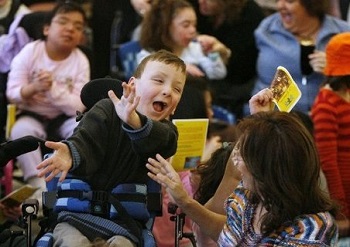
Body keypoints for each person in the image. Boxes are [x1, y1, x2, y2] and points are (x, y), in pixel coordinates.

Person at [146, 88, 339, 246]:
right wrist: (259, 121)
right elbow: (227, 232)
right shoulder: (247, 199)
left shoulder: (312, 229)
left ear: (266, 169)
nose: (236, 161)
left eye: (243, 155)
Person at [36, 50, 187, 246]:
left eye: (177, 89)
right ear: (133, 85)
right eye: (159, 81)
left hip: (124, 225)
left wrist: (136, 123)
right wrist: (71, 152)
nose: (167, 91)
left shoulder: (167, 133)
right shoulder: (106, 108)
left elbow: (163, 143)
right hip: (74, 218)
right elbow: (86, 138)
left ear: (175, 107)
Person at [6, 2, 89, 207]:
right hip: (32, 114)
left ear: (81, 36)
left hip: (65, 117)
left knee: (84, 129)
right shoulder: (30, 51)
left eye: (77, 27)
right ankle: (37, 185)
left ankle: (72, 181)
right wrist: (34, 87)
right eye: (63, 22)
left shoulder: (81, 60)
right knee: (22, 131)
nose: (70, 29)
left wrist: (52, 90)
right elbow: (12, 94)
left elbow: (78, 107)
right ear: (46, 28)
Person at [251, 0, 350, 116]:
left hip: (327, 118)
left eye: (289, 1)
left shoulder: (343, 34)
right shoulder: (266, 30)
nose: (280, 6)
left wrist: (336, 68)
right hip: (273, 122)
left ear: (310, 4)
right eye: (278, 0)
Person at [187, 0, 265, 119]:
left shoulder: (250, 15)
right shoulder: (194, 7)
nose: (200, 1)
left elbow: (240, 70)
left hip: (238, 81)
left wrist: (223, 53)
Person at [311, 32, 350, 241]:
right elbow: (328, 162)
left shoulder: (346, 94)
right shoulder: (326, 104)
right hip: (342, 191)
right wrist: (340, 208)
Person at [137, 0, 227, 81]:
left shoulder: (194, 48)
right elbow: (146, 76)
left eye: (194, 25)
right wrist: (179, 67)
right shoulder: (149, 54)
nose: (193, 30)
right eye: (186, 25)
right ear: (165, 26)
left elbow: (218, 74)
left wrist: (212, 53)